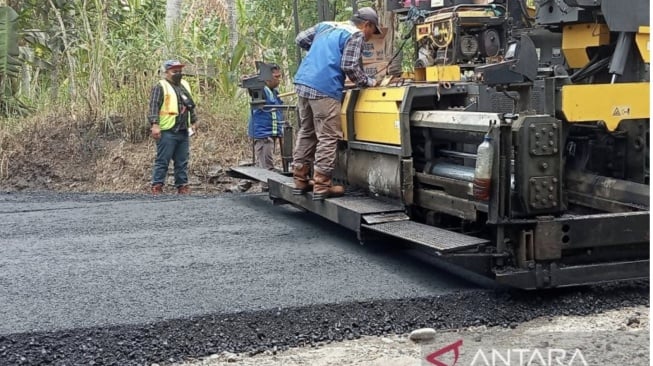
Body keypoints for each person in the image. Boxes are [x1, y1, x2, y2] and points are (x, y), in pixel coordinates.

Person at [291, 7, 381, 201]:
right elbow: (349, 66)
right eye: (371, 33)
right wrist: (369, 82)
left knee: (307, 132)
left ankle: (300, 179)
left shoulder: (327, 26)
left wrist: (321, 53)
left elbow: (300, 39)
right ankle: (322, 185)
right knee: (328, 136)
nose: (368, 38)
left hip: (304, 83)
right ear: (367, 24)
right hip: (324, 88)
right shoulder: (355, 35)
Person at [148, 59, 198, 195]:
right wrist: (155, 124)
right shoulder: (161, 86)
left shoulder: (185, 85)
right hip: (167, 130)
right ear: (166, 72)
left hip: (183, 129)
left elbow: (190, 105)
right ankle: (157, 187)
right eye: (174, 71)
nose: (178, 73)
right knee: (163, 160)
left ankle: (182, 187)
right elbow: (154, 106)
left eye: (179, 71)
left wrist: (193, 121)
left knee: (182, 161)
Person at [248, 64, 284, 175]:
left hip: (271, 131)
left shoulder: (274, 92)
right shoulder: (262, 90)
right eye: (276, 77)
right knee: (266, 168)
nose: (279, 80)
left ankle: (241, 187)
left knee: (263, 164)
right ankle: (266, 188)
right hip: (263, 134)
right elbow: (252, 88)